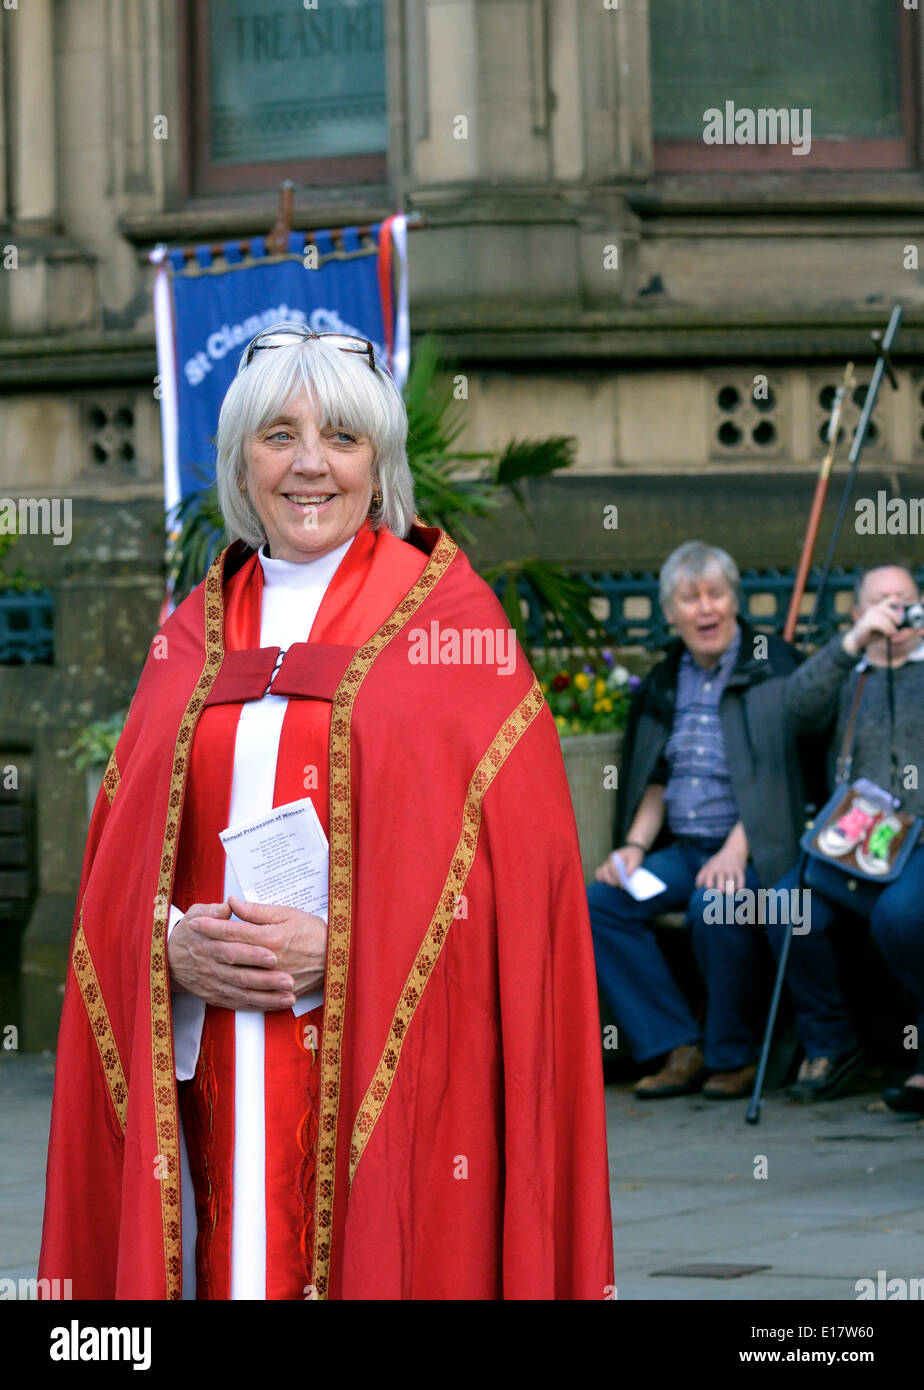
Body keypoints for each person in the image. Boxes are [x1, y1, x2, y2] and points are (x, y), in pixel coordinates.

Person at [39, 323, 614, 1300]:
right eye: (279, 434)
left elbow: (519, 907)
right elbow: (118, 878)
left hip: (394, 1104)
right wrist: (167, 946)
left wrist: (344, 950)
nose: (311, 464)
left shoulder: (451, 630)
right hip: (214, 1060)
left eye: (342, 437)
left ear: (378, 460)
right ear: (239, 458)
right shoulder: (190, 634)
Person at [588, 541, 808, 1100]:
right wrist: (635, 847)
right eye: (690, 598)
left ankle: (733, 1055)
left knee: (718, 903)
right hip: (686, 849)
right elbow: (657, 777)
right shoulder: (666, 678)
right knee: (600, 903)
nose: (705, 609)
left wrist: (737, 851)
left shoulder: (770, 665)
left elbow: (778, 773)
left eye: (716, 594)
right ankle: (677, 1043)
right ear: (671, 613)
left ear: (735, 601)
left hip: (758, 847)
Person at [765, 564, 924, 1110]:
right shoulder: (847, 672)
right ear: (857, 613)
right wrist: (854, 644)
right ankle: (831, 1044)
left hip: (919, 847)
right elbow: (795, 711)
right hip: (849, 845)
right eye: (881, 602)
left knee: (902, 916)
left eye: (905, 601)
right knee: (786, 904)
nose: (895, 612)